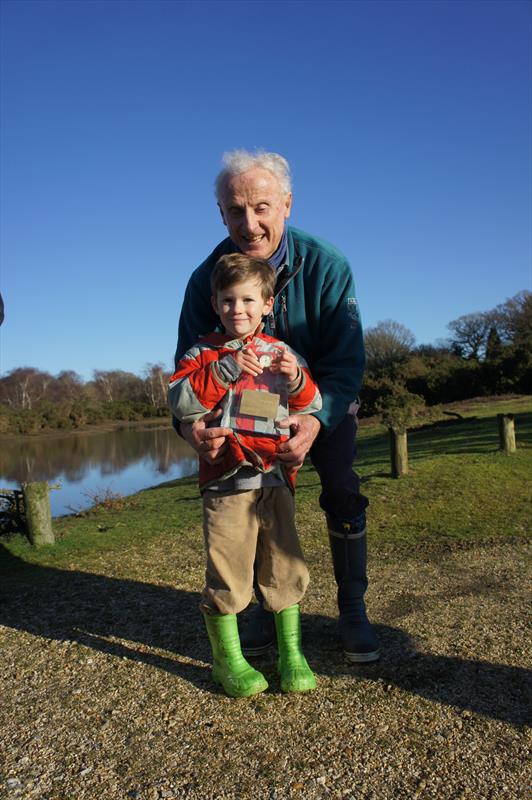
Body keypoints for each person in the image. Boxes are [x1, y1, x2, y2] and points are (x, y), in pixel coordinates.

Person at [174, 149, 380, 663]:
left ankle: (352, 604)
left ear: (287, 204)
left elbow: (347, 361)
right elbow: (184, 371)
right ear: (220, 213)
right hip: (244, 415)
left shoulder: (328, 266)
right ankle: (262, 607)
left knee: (341, 486)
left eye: (262, 207)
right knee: (253, 505)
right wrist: (191, 430)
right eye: (236, 211)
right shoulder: (206, 280)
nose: (250, 223)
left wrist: (314, 418)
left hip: (319, 399)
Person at [169, 253, 322, 697]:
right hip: (225, 479)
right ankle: (228, 660)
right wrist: (224, 369)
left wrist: (296, 380)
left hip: (275, 476)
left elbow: (310, 405)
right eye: (228, 300)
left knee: (285, 563)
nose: (239, 309)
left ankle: (291, 653)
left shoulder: (284, 354)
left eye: (248, 300)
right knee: (229, 568)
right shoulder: (202, 352)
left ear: (268, 304)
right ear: (215, 304)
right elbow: (180, 404)